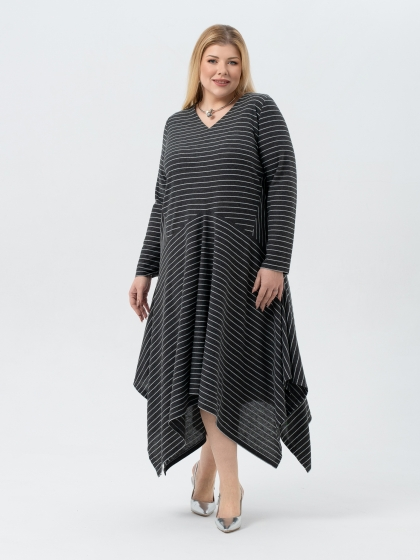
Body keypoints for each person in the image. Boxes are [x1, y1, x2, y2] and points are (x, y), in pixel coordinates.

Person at [128, 24, 312, 533]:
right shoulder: (176, 125)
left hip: (240, 267)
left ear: (243, 67)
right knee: (201, 373)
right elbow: (163, 201)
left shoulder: (259, 111)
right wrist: (145, 268)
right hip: (182, 266)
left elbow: (283, 182)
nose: (222, 71)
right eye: (213, 60)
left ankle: (225, 482)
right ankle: (212, 475)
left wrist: (276, 261)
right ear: (198, 65)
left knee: (222, 371)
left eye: (232, 62)